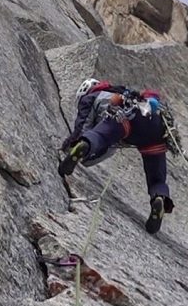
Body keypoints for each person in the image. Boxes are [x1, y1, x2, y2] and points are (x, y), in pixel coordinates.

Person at [58, 78, 176, 234]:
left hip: (126, 118)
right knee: (157, 178)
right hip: (156, 129)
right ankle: (159, 198)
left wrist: (72, 147)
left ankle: (84, 147)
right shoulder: (126, 93)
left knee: (98, 136)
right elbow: (109, 150)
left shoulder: (92, 96)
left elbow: (83, 128)